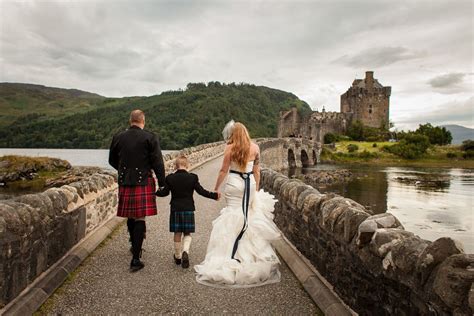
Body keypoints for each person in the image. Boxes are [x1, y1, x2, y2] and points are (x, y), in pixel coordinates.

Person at [194, 121, 281, 287]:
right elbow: (256, 171)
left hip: (234, 184)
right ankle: (250, 257)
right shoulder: (255, 148)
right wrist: (256, 189)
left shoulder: (229, 148)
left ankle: (229, 255)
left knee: (232, 215)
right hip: (249, 185)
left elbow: (223, 170)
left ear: (234, 134)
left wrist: (216, 188)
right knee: (248, 215)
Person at [109, 109, 165, 272]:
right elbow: (158, 163)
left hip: (125, 181)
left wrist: (124, 171)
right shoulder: (150, 137)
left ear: (130, 121)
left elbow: (112, 160)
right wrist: (162, 184)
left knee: (131, 215)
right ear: (143, 121)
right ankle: (135, 258)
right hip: (143, 181)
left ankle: (134, 246)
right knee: (140, 217)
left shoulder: (118, 137)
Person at [156, 155, 220, 268]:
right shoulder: (193, 177)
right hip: (188, 208)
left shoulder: (170, 178)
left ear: (176, 166)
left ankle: (178, 256)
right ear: (187, 165)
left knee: (177, 232)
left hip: (175, 209)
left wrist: (155, 192)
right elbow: (201, 191)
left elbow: (165, 193)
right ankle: (185, 251)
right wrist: (214, 196)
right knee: (187, 233)